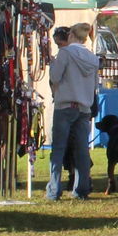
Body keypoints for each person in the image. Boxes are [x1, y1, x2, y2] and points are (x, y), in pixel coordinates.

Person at [46, 23, 98, 201]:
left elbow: (55, 77)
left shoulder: (65, 53)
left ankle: (54, 189)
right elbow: (94, 85)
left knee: (59, 149)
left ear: (71, 36)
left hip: (65, 105)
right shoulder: (92, 58)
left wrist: (53, 65)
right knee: (82, 150)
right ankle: (82, 188)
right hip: (84, 107)